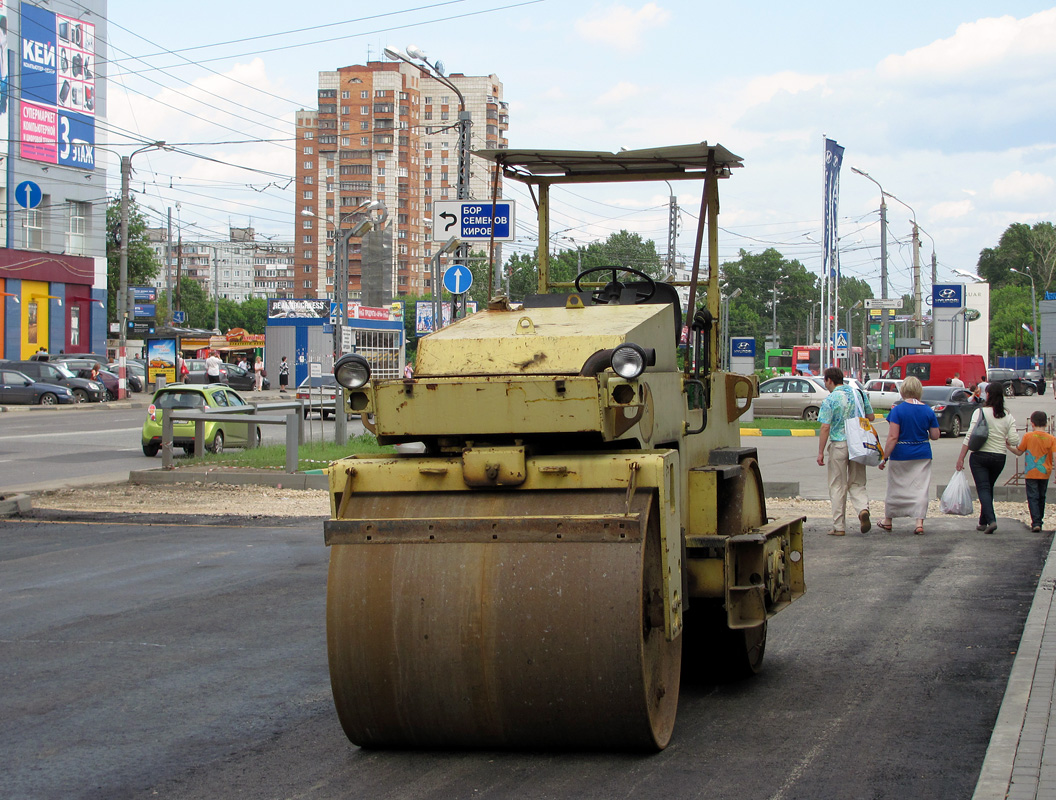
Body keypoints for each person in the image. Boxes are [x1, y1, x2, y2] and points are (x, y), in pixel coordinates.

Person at [877, 377, 941, 535]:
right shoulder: (928, 410)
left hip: (900, 454)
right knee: (920, 489)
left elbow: (893, 437)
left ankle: (888, 520)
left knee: (896, 487)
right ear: (919, 390)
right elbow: (935, 435)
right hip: (922, 455)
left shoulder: (897, 410)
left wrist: (884, 457)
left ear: (903, 390)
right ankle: (919, 522)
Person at [817, 366, 876, 536]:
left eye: (825, 381)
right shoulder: (859, 394)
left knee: (837, 485)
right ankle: (862, 510)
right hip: (857, 444)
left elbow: (825, 427)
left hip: (839, 444)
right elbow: (870, 417)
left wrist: (820, 452)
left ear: (829, 380)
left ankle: (839, 527)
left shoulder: (830, 399)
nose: (825, 384)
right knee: (857, 482)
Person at [956, 383, 1020, 534]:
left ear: (989, 395)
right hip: (999, 457)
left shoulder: (980, 412)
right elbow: (1014, 440)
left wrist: (961, 458)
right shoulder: (1007, 416)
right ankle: (982, 522)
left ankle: (991, 521)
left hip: (980, 456)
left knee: (983, 488)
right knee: (988, 487)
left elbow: (970, 437)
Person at [1011, 410, 1056, 532]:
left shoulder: (1028, 436)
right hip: (1045, 472)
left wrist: (1009, 446)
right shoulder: (1051, 439)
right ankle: (1039, 520)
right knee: (1042, 496)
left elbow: (1019, 452)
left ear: (1032, 423)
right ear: (1046, 424)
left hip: (1031, 472)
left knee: (1032, 496)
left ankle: (1036, 522)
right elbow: (1055, 456)